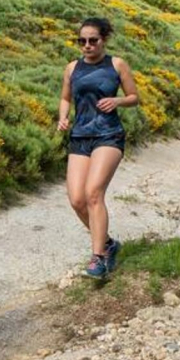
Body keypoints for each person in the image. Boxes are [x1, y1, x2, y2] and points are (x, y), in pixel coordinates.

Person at [57, 17, 139, 279]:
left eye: (93, 40)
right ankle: (108, 244)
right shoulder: (72, 68)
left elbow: (134, 97)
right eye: (82, 41)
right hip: (80, 136)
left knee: (93, 193)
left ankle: (98, 259)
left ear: (104, 40)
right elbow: (65, 97)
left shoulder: (116, 64)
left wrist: (118, 101)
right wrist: (63, 116)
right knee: (77, 200)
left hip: (109, 135)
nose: (87, 45)